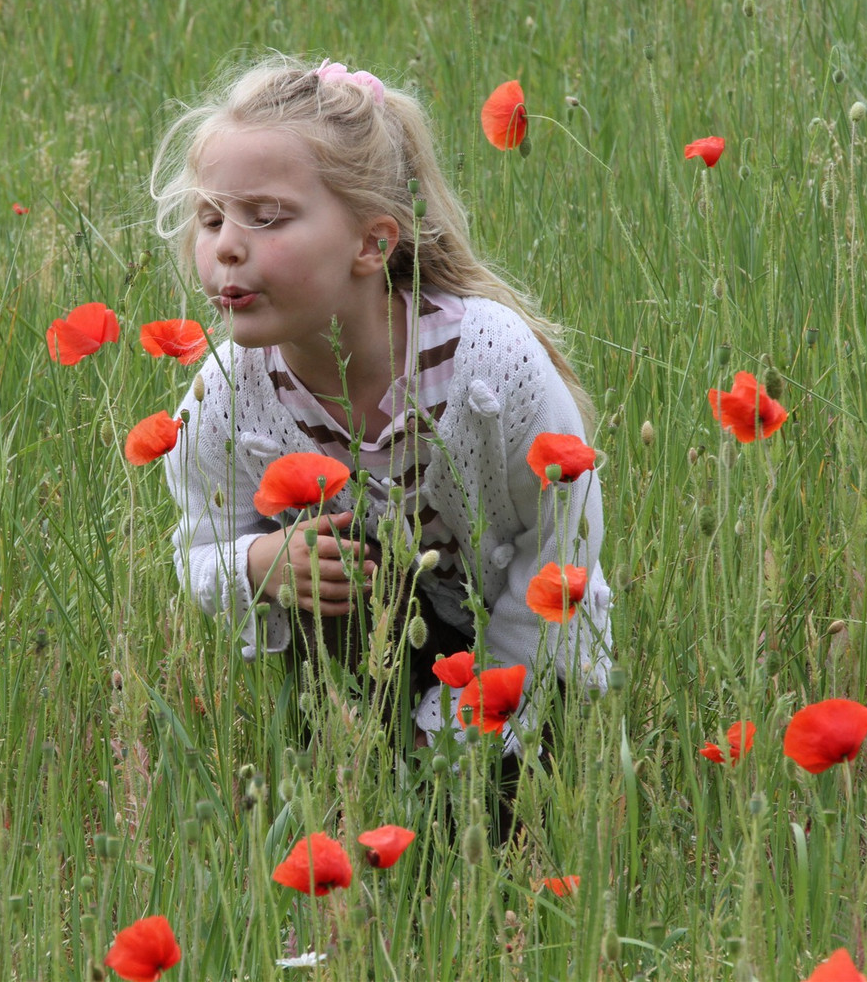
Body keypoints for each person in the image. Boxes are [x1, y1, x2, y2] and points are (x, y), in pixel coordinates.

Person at [152, 55, 613, 830]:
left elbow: (561, 545)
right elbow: (196, 550)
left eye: (265, 218)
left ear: (373, 244)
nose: (227, 247)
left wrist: (469, 723)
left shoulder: (488, 362)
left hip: (520, 649)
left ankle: (468, 798)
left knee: (494, 831)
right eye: (210, 219)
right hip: (358, 649)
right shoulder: (228, 390)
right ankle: (347, 776)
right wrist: (258, 567)